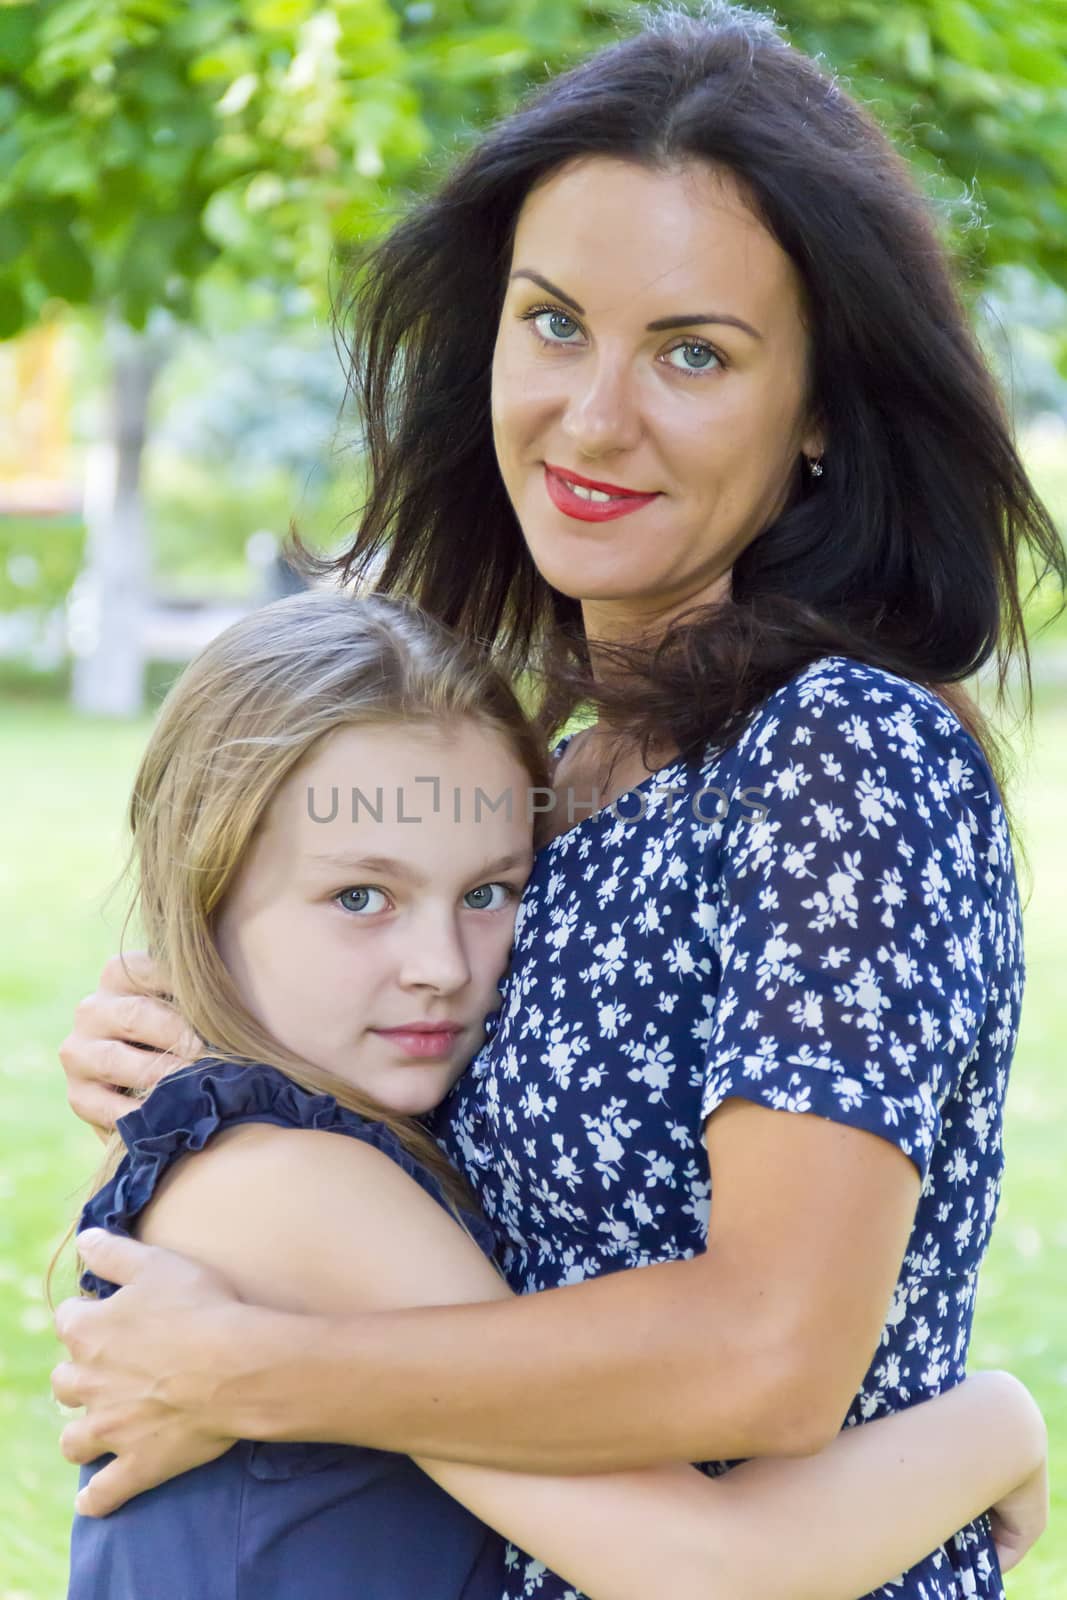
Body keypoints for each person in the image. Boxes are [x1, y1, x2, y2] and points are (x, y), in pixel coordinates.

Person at [54, 8, 1064, 1599]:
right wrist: (212, 1061)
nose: (593, 419)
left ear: (818, 413)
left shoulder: (839, 756)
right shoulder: (549, 779)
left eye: (691, 354)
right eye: (552, 324)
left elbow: (768, 1354)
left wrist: (248, 1365)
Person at [60, 590, 1046, 1599]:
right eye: (361, 896)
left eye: (488, 893)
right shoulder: (292, 1189)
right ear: (206, 892)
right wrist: (993, 1423)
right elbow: (718, 1572)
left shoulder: (310, 1144)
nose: (439, 965)